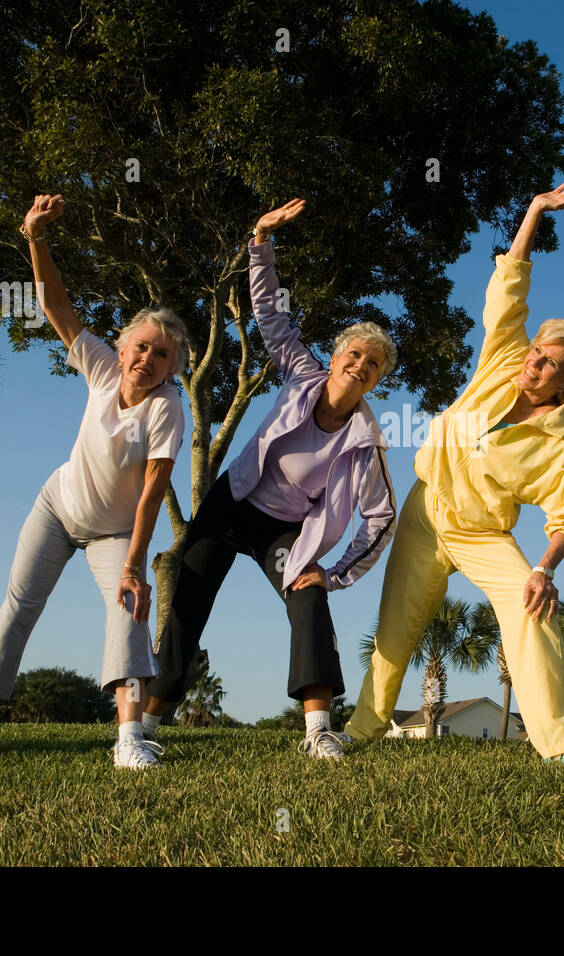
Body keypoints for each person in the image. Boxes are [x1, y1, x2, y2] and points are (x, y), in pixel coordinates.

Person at [344, 182, 564, 764]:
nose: (533, 364)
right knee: (396, 628)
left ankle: (562, 747)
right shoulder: (502, 362)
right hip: (424, 510)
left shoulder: (561, 445)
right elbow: (508, 288)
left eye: (550, 365)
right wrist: (535, 210)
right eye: (536, 352)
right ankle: (360, 733)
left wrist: (544, 567)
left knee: (531, 609)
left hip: (480, 534)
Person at [0, 194, 187, 771]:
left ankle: (129, 741)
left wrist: (134, 564)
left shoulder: (167, 409)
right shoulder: (99, 366)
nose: (147, 358)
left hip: (114, 530)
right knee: (17, 609)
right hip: (57, 507)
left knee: (130, 612)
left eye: (161, 354)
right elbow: (56, 304)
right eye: (140, 346)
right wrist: (36, 236)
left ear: (172, 367)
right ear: (123, 349)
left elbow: (153, 490)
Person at [141, 198, 397, 759]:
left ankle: (318, 732)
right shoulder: (302, 374)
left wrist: (334, 573)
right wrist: (260, 239)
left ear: (377, 381)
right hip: (229, 505)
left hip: (281, 531)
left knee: (307, 597)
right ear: (334, 358)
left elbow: (381, 519)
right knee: (188, 602)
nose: (360, 365)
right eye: (354, 354)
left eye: (373, 364)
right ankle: (146, 730)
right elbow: (270, 316)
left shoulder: (366, 445)